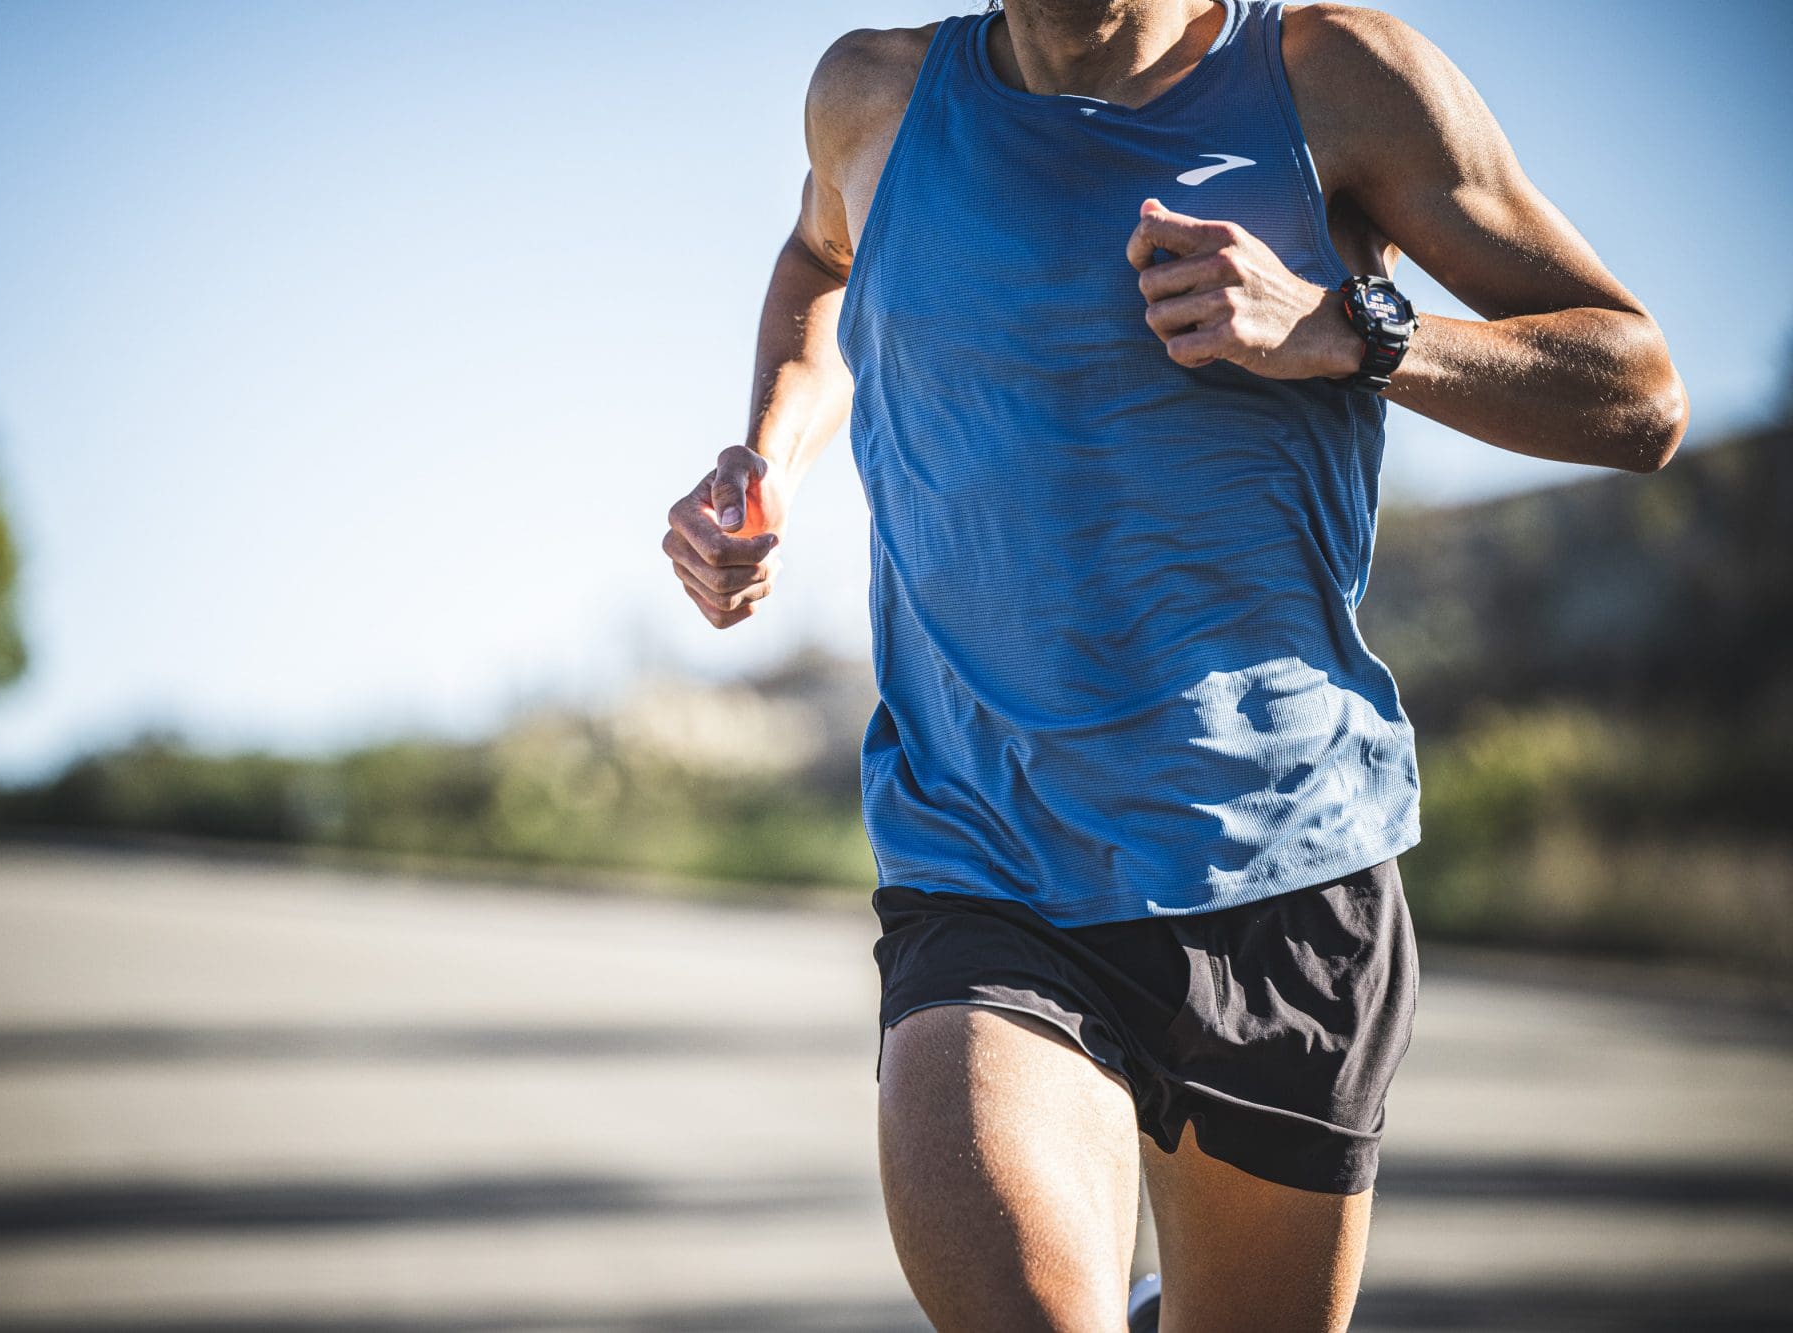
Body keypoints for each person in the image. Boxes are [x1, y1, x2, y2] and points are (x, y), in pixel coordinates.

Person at [659, 1, 1687, 1327]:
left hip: (1286, 865)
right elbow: (819, 255)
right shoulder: (876, 97)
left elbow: (1640, 388)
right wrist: (769, 460)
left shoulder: (1333, 81)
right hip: (985, 858)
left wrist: (1351, 329)